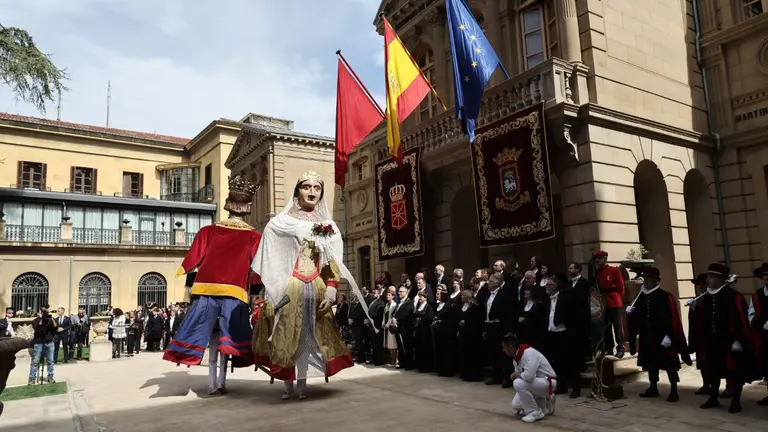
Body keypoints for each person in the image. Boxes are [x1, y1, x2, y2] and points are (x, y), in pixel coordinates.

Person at [251, 171, 372, 400]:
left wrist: (332, 288)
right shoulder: (280, 223)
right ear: (298, 191)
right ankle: (287, 384)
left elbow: (333, 261)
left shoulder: (328, 225)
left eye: (317, 188)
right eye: (307, 187)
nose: (312, 192)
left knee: (309, 336)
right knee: (286, 336)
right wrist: (273, 289)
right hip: (291, 287)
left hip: (315, 286)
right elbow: (273, 254)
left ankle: (302, 384)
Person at [163, 174, 263, 396]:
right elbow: (257, 269)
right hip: (234, 295)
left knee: (208, 340)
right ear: (248, 207)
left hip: (205, 294)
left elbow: (194, 259)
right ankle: (221, 382)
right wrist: (255, 292)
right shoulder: (254, 236)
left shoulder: (208, 231)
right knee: (226, 343)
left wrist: (185, 272)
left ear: (228, 204)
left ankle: (211, 383)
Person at [688, 263, 759, 413]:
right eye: (708, 276)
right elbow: (702, 320)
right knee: (713, 370)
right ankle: (714, 397)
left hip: (730, 341)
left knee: (734, 371)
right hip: (711, 340)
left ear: (721, 279)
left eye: (712, 277)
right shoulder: (705, 297)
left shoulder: (734, 297)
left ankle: (735, 401)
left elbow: (741, 320)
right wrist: (695, 308)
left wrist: (739, 340)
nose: (708, 280)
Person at [626, 267, 692, 402]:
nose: (647, 281)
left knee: (670, 364)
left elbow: (672, 318)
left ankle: (674, 390)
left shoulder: (665, 297)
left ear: (656, 280)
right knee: (651, 363)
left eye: (650, 278)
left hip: (663, 337)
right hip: (647, 336)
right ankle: (653, 387)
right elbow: (638, 318)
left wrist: (670, 336)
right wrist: (631, 314)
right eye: (646, 278)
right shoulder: (639, 297)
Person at [503, 333, 557, 424]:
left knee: (517, 383)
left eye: (504, 347)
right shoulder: (516, 358)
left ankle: (534, 411)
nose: (503, 350)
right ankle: (544, 400)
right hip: (536, 383)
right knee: (516, 405)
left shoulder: (529, 353)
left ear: (510, 347)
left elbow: (529, 376)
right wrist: (518, 374)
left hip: (548, 382)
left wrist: (517, 374)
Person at [593, 251, 626, 358]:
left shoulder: (614, 270)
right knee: (606, 327)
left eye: (599, 258)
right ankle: (609, 348)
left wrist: (617, 297)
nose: (597, 260)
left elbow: (621, 286)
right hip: (603, 301)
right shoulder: (598, 272)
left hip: (614, 299)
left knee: (617, 326)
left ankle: (621, 348)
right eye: (596, 258)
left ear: (605, 259)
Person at [749, 262, 768, 406]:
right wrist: (761, 325)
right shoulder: (757, 295)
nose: (766, 277)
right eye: (764, 275)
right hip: (765, 336)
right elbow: (751, 314)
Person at [687, 274, 709, 395]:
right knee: (701, 361)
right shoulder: (697, 299)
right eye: (699, 284)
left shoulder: (712, 298)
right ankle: (706, 385)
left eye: (703, 284)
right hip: (699, 336)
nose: (701, 286)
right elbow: (692, 321)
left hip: (710, 336)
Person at [28, 305, 57, 385]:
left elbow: (55, 328)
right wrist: (41, 319)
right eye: (42, 312)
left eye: (45, 312)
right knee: (35, 361)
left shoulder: (50, 320)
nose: (43, 313)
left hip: (49, 342)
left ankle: (50, 377)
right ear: (38, 313)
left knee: (50, 361)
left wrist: (51, 318)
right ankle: (32, 378)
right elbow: (37, 330)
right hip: (38, 342)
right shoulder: (35, 321)